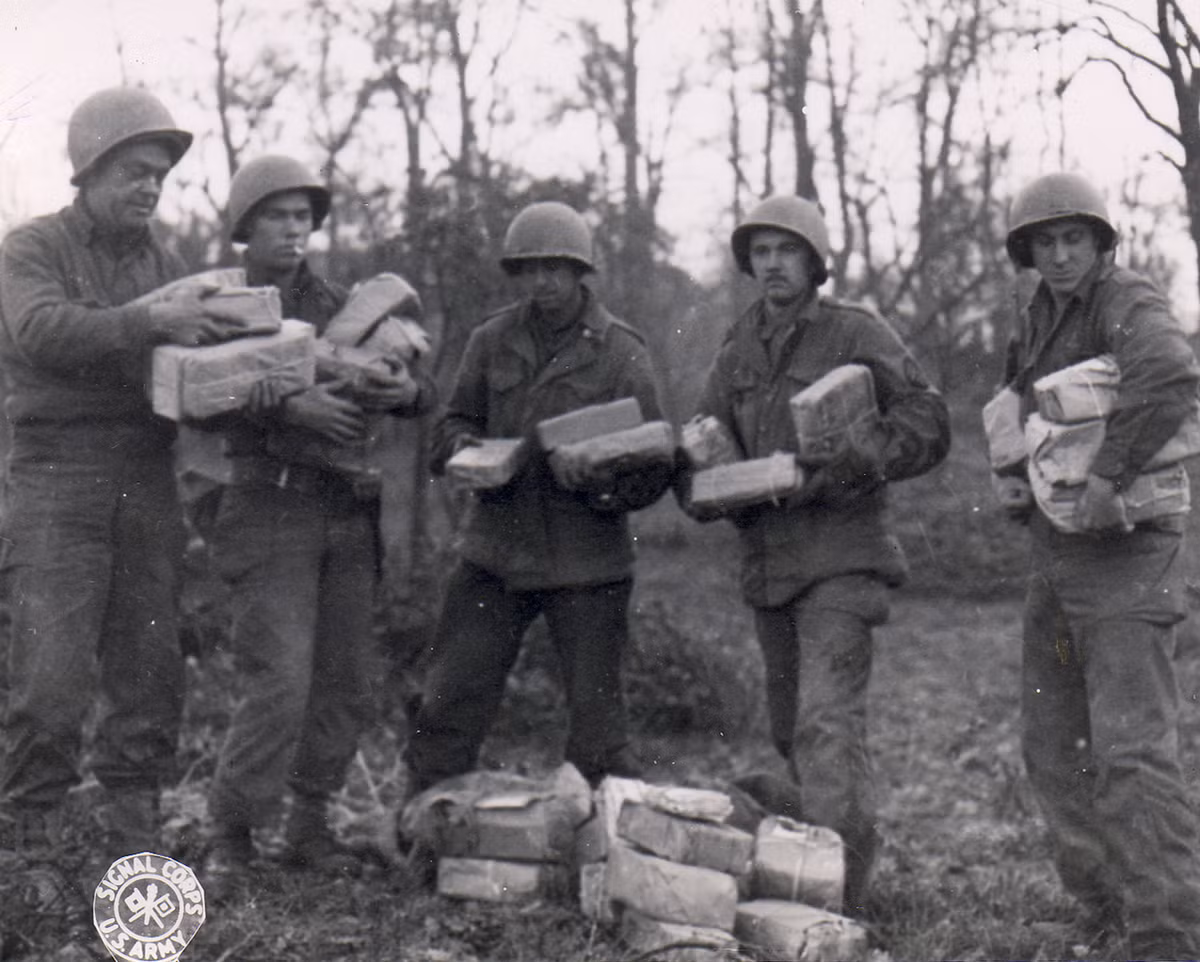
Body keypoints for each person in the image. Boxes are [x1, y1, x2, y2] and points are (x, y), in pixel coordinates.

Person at [0, 86, 246, 933]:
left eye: (159, 176)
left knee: (148, 668)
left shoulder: (162, 261)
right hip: (56, 475)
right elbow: (41, 331)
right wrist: (153, 320)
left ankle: (132, 843)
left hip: (146, 471)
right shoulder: (31, 247)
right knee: (51, 673)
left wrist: (232, 365)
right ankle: (29, 848)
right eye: (134, 171)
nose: (149, 188)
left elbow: (182, 363)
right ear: (90, 170)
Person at [684, 195, 950, 914]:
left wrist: (861, 454)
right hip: (770, 569)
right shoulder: (738, 349)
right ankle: (813, 870)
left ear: (814, 261)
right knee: (791, 731)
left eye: (787, 251)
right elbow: (701, 444)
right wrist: (705, 484)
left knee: (826, 726)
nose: (773, 264)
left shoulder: (854, 331)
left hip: (841, 558)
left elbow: (928, 419)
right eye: (761, 253)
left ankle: (840, 905)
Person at [201, 156, 433, 889]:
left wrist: (401, 388)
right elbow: (192, 393)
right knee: (278, 678)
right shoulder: (218, 303)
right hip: (268, 504)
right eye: (276, 215)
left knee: (344, 679)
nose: (292, 229)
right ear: (246, 226)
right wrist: (285, 406)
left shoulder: (342, 305)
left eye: (302, 216)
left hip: (345, 509)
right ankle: (232, 838)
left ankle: (307, 830)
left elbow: (421, 394)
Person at [995, 171, 1200, 960]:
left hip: (1127, 557)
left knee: (1132, 753)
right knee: (1053, 743)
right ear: (1028, 253)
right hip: (1059, 557)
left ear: (1099, 241)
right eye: (1044, 242)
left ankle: (1166, 933)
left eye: (1073, 238)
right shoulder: (1037, 317)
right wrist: (1015, 475)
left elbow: (1171, 374)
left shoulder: (1127, 301)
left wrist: (1111, 474)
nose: (1059, 255)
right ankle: (1106, 908)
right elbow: (1021, 406)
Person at [403, 201, 674, 797]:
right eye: (529, 269)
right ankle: (425, 825)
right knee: (449, 701)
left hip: (588, 561)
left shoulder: (620, 351)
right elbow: (450, 426)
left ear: (580, 271)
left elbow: (655, 466)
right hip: (495, 553)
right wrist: (470, 452)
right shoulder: (492, 340)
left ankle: (608, 837)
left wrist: (601, 479)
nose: (541, 281)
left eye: (555, 268)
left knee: (600, 732)